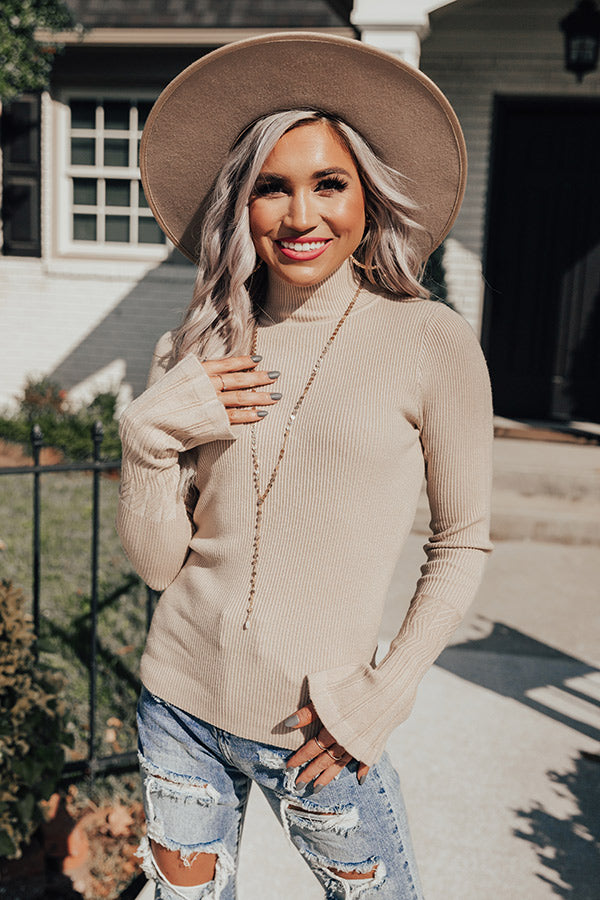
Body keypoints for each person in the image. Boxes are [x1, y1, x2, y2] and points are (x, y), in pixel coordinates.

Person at [117, 32, 493, 900]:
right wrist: (145, 438)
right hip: (176, 709)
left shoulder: (429, 340)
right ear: (240, 202)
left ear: (369, 196)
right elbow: (159, 567)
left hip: (316, 728)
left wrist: (382, 695)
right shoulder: (193, 348)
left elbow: (462, 542)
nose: (300, 216)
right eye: (271, 187)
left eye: (329, 184)